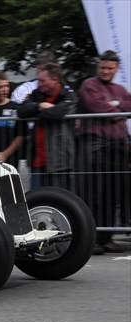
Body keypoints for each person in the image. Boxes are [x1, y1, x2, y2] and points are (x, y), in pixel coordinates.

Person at [76, 50, 131, 254]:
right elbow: (96, 107)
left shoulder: (120, 88)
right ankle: (91, 239)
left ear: (116, 69)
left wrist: (115, 105)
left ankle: (106, 238)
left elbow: (127, 104)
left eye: (110, 68)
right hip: (95, 142)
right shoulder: (89, 84)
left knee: (112, 192)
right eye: (102, 68)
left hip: (117, 145)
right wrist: (121, 112)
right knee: (93, 192)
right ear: (98, 67)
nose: (106, 71)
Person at [18, 63, 77, 190]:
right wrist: (40, 105)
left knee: (58, 200)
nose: (39, 84)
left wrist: (37, 111)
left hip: (59, 160)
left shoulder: (69, 96)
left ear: (55, 79)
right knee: (36, 200)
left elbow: (56, 113)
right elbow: (22, 110)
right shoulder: (37, 93)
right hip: (37, 159)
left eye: (42, 81)